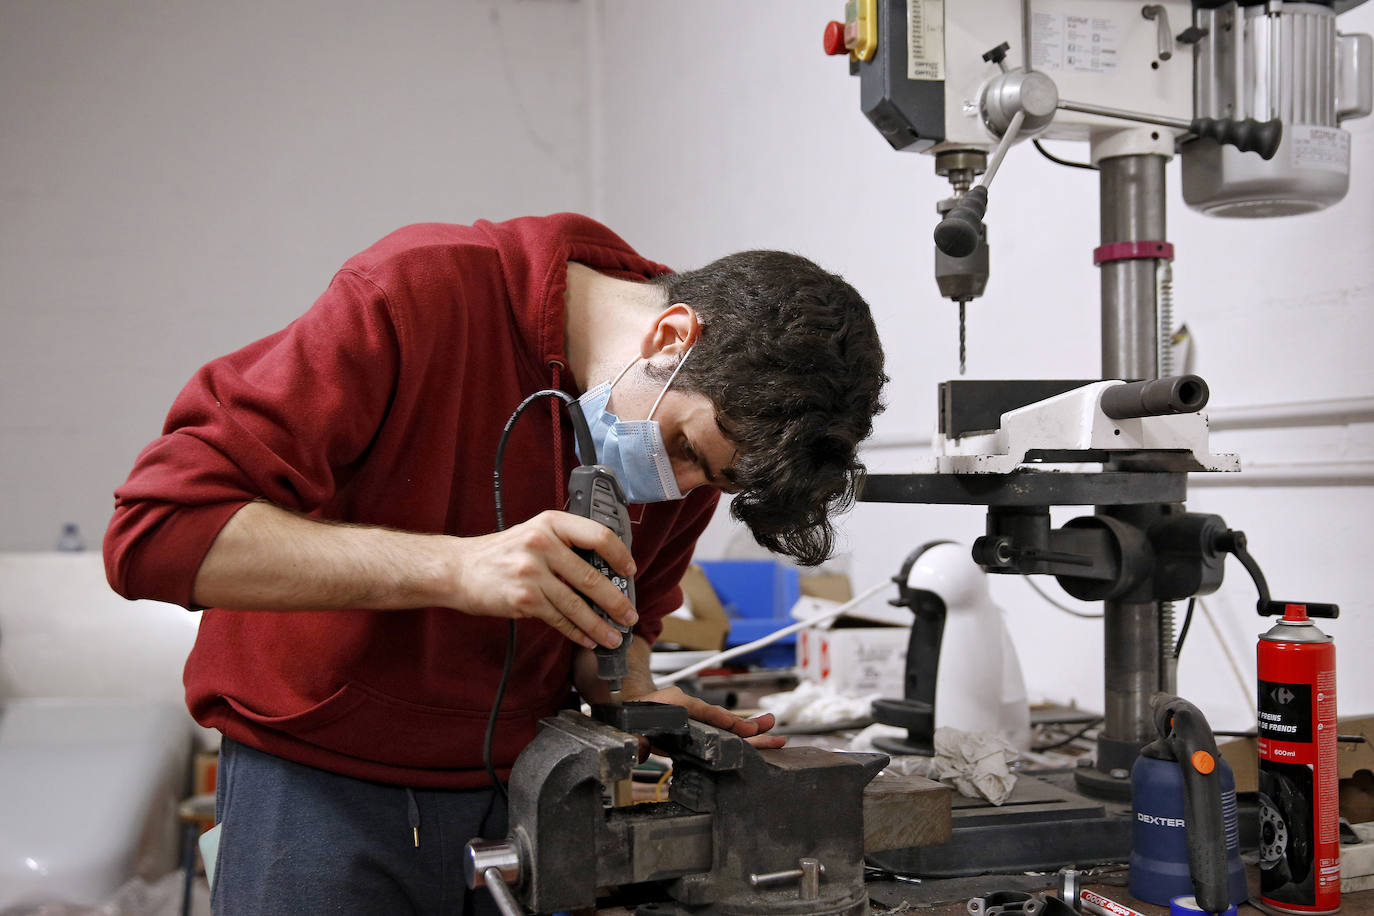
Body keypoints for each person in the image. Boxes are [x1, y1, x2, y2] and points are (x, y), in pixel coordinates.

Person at [104, 213, 886, 914]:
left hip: (526, 796)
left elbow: (616, 624)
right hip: (316, 794)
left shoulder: (712, 415)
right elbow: (156, 536)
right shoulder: (418, 294)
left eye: (708, 481)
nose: (678, 488)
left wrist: (629, 685)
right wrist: (455, 570)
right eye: (687, 450)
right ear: (671, 337)